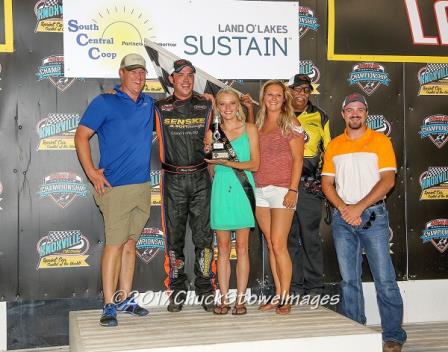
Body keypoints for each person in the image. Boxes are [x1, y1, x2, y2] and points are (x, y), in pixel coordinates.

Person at [321, 93, 407, 352]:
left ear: (366, 113)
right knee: (349, 280)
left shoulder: (380, 141)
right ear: (343, 114)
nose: (355, 114)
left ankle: (392, 334)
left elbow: (388, 181)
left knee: (385, 279)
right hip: (342, 219)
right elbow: (327, 183)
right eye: (350, 110)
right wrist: (344, 209)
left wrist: (357, 207)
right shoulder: (334, 145)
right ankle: (355, 331)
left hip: (374, 217)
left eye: (360, 109)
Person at [74, 53, 154, 327]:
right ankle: (108, 303)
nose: (138, 77)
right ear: (121, 73)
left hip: (142, 186)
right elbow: (81, 136)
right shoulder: (105, 101)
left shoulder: (148, 103)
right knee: (114, 245)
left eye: (142, 72)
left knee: (130, 243)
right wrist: (90, 172)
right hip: (115, 188)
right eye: (132, 72)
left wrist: (207, 99)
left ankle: (125, 298)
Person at [154, 59, 215, 312]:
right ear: (172, 79)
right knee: (174, 240)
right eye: (181, 75)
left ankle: (205, 288)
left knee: (204, 238)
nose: (186, 79)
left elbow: (235, 122)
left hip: (201, 177)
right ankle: (177, 290)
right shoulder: (158, 107)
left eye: (191, 75)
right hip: (173, 179)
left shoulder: (207, 105)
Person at [204, 88, 259, 315]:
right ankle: (224, 300)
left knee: (243, 249)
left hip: (243, 189)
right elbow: (211, 168)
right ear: (217, 107)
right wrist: (209, 157)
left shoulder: (250, 129)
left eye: (231, 104)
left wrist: (228, 164)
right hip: (221, 191)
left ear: (239, 106)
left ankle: (240, 300)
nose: (227, 108)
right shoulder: (212, 132)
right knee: (223, 249)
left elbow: (255, 165)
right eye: (222, 104)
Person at [254, 80, 304, 315]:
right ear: (263, 97)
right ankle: (277, 294)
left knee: (278, 244)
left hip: (282, 190)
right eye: (269, 94)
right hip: (260, 189)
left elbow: (298, 159)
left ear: (284, 98)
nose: (273, 98)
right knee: (271, 245)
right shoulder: (259, 122)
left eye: (278, 95)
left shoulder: (291, 123)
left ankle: (286, 296)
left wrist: (293, 189)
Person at [287, 74, 331, 296]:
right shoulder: (279, 115)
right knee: (288, 238)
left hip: (307, 185)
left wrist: (324, 182)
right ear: (289, 91)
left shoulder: (320, 116)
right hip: (283, 186)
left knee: (310, 237)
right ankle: (294, 286)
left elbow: (330, 152)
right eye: (297, 89)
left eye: (305, 90)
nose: (301, 94)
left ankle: (315, 287)